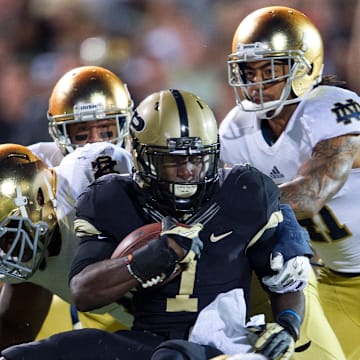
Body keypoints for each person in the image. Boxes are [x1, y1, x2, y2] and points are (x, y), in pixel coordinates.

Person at [1, 89, 313, 360]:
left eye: (197, 158)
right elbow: (74, 294)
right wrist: (145, 260)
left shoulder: (240, 192)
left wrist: (285, 227)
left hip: (229, 332)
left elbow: (235, 192)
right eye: (174, 160)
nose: (189, 171)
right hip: (143, 329)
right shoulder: (104, 195)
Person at [219, 5, 360, 359]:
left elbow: (311, 194)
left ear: (304, 66)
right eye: (249, 71)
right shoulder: (235, 129)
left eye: (271, 69)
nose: (257, 82)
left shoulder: (332, 109)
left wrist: (227, 213)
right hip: (327, 278)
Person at [0, 142, 134, 350]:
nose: (5, 251)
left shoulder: (88, 182)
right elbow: (15, 328)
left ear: (39, 198)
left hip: (194, 313)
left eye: (9, 235)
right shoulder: (26, 253)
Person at [28, 65, 134, 167]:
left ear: (123, 125)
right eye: (82, 132)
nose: (95, 142)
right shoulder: (40, 166)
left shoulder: (140, 165)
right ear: (62, 134)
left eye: (104, 130)